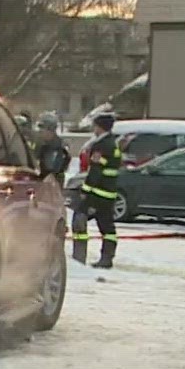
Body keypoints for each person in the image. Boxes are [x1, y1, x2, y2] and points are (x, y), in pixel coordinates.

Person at [72, 112, 122, 269]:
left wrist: (85, 191)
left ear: (100, 127)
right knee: (107, 227)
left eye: (95, 126)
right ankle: (107, 258)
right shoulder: (113, 143)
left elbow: (95, 171)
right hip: (109, 192)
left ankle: (78, 256)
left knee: (79, 217)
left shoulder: (101, 146)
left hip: (97, 193)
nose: (94, 129)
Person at [32, 113, 71, 181]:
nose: (40, 131)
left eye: (43, 128)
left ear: (50, 129)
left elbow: (56, 167)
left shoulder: (59, 146)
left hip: (53, 182)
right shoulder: (41, 144)